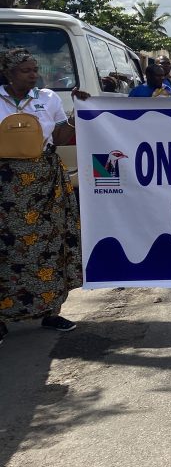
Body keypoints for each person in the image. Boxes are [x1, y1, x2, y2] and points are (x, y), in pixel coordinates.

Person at [0, 48, 88, 342]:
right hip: (6, 183)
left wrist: (76, 114)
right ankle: (3, 316)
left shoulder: (48, 98)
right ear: (9, 73)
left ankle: (51, 312)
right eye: (26, 70)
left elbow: (60, 138)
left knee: (50, 244)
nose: (33, 75)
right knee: (7, 248)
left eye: (35, 69)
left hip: (44, 181)